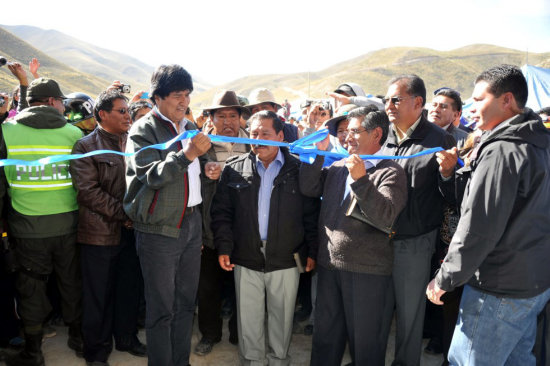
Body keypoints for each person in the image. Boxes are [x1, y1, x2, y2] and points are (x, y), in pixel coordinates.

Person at [426, 64, 550, 366]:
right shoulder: (537, 142)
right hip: (532, 281)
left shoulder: (503, 150)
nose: (472, 107)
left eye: (479, 99)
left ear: (506, 100)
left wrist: (446, 278)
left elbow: (478, 226)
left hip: (499, 287)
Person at [124, 64, 216, 366]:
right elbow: (151, 175)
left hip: (190, 224)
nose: (184, 102)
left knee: (186, 304)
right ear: (158, 97)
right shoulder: (143, 130)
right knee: (161, 308)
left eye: (187, 95)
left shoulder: (188, 128)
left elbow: (198, 168)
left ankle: (181, 362)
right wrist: (187, 154)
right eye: (177, 95)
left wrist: (209, 170)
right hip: (159, 229)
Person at [301, 108, 408, 366]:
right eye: (345, 132)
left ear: (377, 134)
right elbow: (309, 187)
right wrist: (318, 153)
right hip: (329, 267)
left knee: (366, 344)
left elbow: (385, 216)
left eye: (354, 131)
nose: (347, 137)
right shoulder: (338, 166)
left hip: (367, 273)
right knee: (325, 339)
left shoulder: (391, 172)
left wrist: (361, 180)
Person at [211, 110, 318, 366]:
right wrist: (224, 246)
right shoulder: (235, 169)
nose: (258, 139)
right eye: (254, 134)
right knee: (248, 319)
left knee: (282, 319)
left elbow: (311, 215)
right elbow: (222, 213)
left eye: (265, 134)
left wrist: (313, 251)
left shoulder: (298, 169)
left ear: (280, 136)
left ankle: (279, 360)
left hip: (285, 258)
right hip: (246, 257)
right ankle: (252, 361)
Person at [1, 78, 84, 366]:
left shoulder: (6, 130)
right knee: (71, 281)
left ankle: (33, 351)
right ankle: (77, 337)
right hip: (68, 224)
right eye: (61, 101)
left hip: (26, 227)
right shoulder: (74, 133)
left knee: (31, 287)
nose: (63, 106)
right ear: (51, 102)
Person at [380, 74, 456, 366]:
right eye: (387, 99)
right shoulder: (381, 136)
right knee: (376, 310)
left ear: (418, 102)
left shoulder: (438, 139)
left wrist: (448, 174)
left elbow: (452, 195)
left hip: (414, 242)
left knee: (409, 317)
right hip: (376, 239)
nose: (389, 105)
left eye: (395, 99)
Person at [70, 89, 146, 366]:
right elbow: (88, 192)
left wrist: (132, 217)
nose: (128, 116)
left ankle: (126, 339)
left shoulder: (134, 142)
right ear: (103, 114)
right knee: (98, 296)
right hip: (99, 234)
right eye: (122, 111)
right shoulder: (85, 146)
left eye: (128, 111)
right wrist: (125, 213)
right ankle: (97, 351)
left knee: (128, 290)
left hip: (130, 231)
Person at [194, 90, 249, 355]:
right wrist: (206, 176)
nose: (227, 121)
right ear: (212, 118)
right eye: (221, 116)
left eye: (232, 115)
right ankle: (209, 335)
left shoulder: (254, 144)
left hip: (244, 230)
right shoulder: (200, 147)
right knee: (208, 289)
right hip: (208, 228)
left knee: (244, 288)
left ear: (241, 118)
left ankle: (241, 334)